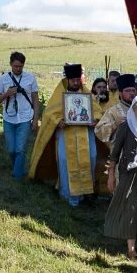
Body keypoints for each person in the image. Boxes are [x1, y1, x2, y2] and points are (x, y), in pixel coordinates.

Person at [28, 63, 98, 206]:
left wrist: (95, 120)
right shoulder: (59, 93)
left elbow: (97, 112)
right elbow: (49, 113)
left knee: (90, 157)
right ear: (67, 80)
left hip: (85, 133)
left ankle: (85, 193)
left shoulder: (86, 93)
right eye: (73, 80)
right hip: (66, 134)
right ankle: (68, 195)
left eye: (78, 80)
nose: (76, 83)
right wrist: (58, 121)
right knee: (66, 161)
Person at [105, 95, 137, 259]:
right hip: (130, 173)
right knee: (130, 209)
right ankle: (131, 249)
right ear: (133, 111)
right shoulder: (126, 127)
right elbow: (115, 153)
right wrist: (111, 175)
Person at [0, 51, 39, 181]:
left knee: (20, 150)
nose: (18, 69)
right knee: (11, 150)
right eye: (15, 66)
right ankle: (18, 169)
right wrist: (6, 94)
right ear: (10, 64)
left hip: (25, 118)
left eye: (20, 66)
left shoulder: (30, 78)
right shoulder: (3, 79)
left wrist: (35, 119)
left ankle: (17, 178)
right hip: (9, 118)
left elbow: (35, 99)